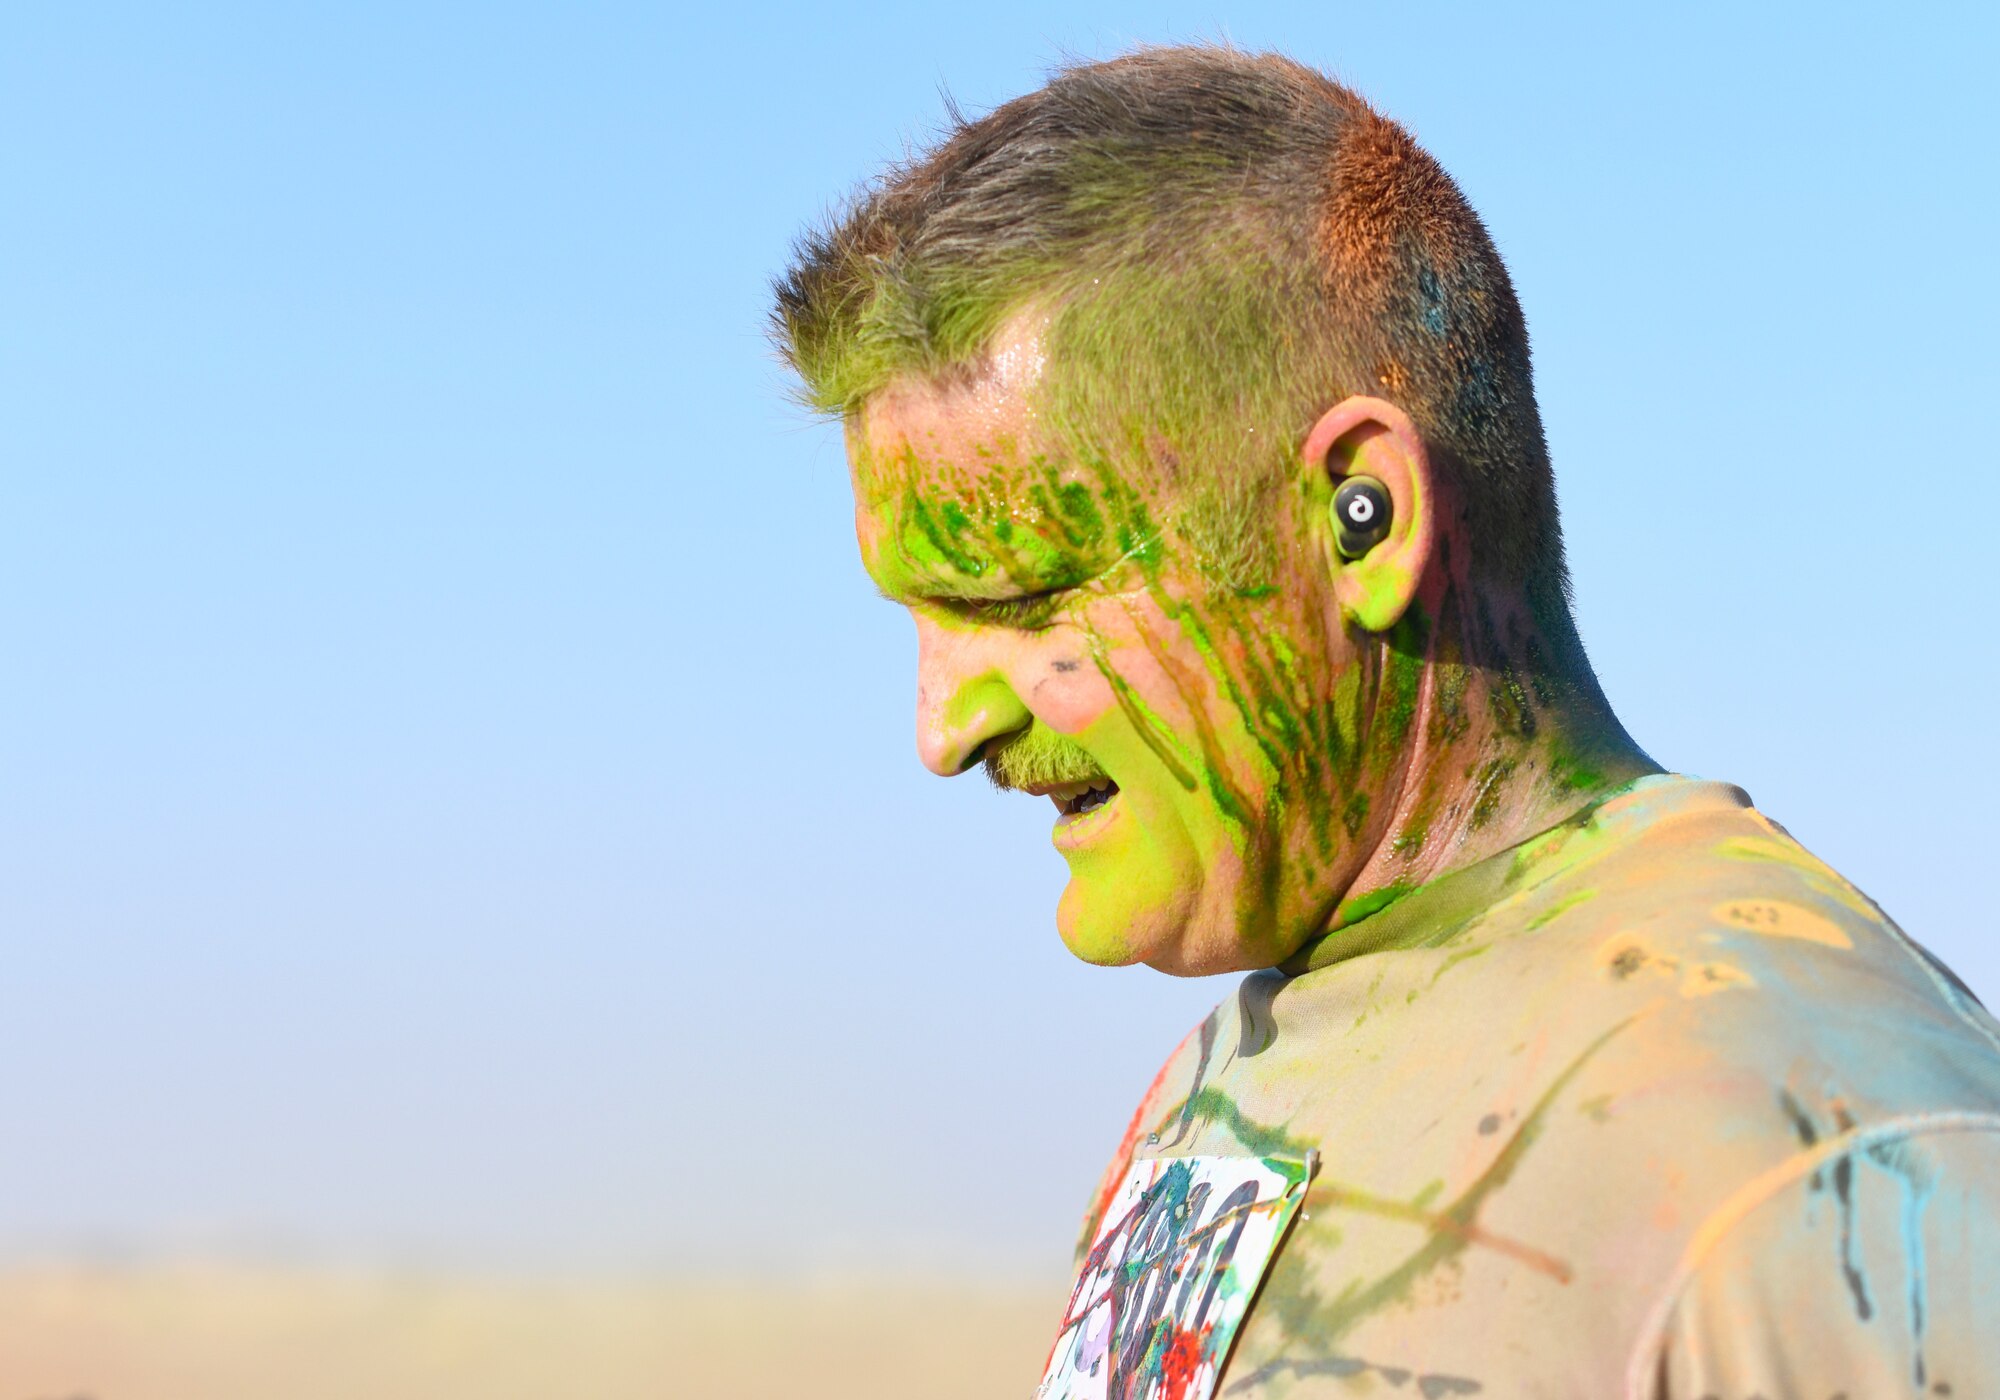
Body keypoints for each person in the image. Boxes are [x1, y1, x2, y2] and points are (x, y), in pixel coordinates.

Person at [770, 45, 2000, 1400]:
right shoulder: (1232, 1079)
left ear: (1367, 520)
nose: (942, 730)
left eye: (1016, 592)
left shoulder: (1809, 1154)